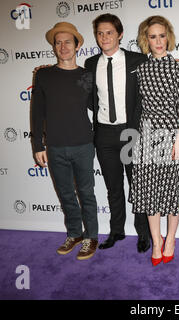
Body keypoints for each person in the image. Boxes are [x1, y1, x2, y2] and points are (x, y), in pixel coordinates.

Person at [128, 15, 179, 266]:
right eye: (152, 36)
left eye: (162, 35)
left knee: (173, 191)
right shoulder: (141, 69)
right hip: (147, 136)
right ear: (146, 39)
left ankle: (171, 240)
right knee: (150, 193)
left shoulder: (178, 67)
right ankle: (156, 241)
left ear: (169, 36)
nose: (158, 41)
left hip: (174, 134)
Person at [31, 22, 98, 260]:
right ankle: (74, 233)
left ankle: (91, 237)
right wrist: (38, 145)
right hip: (56, 146)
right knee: (66, 194)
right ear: (54, 47)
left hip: (83, 144)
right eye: (58, 42)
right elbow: (37, 111)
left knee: (86, 194)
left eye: (68, 41)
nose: (63, 46)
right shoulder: (44, 74)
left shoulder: (87, 75)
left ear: (77, 45)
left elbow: (101, 105)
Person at [84, 14, 151, 253]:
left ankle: (144, 234)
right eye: (100, 33)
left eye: (109, 32)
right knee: (113, 186)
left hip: (130, 131)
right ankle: (116, 231)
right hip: (104, 134)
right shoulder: (90, 64)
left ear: (120, 34)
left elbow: (149, 93)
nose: (104, 37)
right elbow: (88, 97)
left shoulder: (138, 60)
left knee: (138, 186)